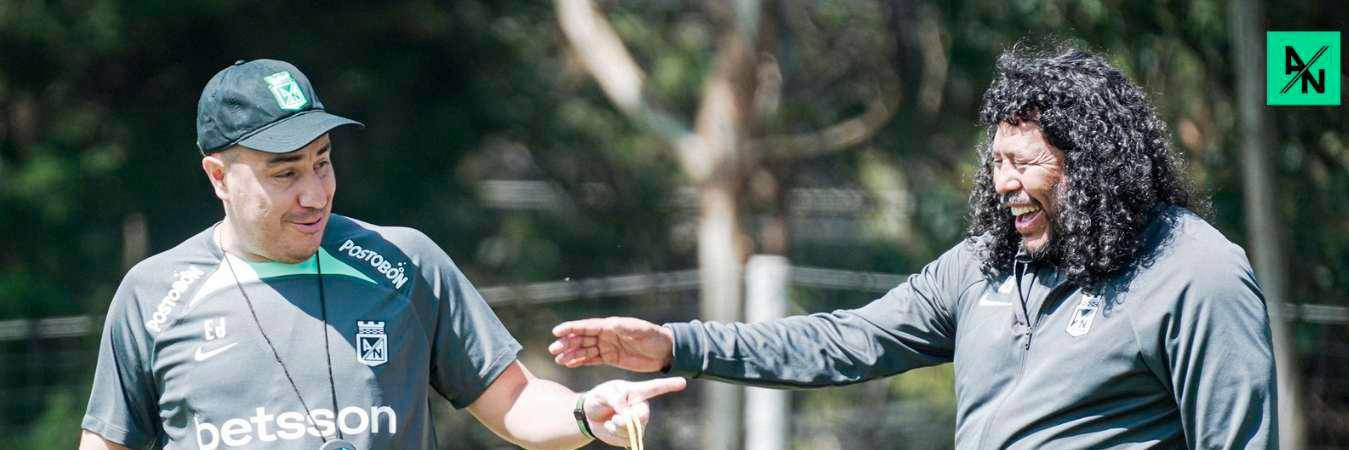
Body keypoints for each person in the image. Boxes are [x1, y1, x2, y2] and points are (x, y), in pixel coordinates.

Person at [549, 46, 1279, 449]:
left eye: (1024, 164)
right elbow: (846, 340)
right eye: (995, 163)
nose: (1001, 184)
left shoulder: (1193, 272)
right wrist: (677, 344)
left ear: (1092, 165)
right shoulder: (983, 265)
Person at [79, 59, 685, 450]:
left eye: (322, 162)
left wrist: (586, 410)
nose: (314, 193)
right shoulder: (153, 295)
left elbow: (518, 401)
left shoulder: (403, 262)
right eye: (285, 173)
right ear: (218, 177)